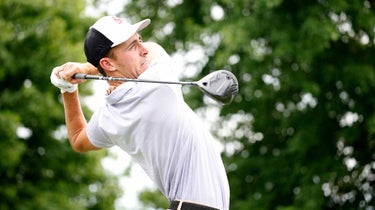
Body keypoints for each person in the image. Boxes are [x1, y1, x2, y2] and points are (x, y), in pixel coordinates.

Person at [50, 16, 230, 210]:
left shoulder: (107, 117)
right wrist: (85, 68)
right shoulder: (157, 83)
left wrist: (67, 89)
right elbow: (154, 49)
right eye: (133, 46)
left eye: (140, 40)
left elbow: (78, 139)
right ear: (108, 64)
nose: (143, 49)